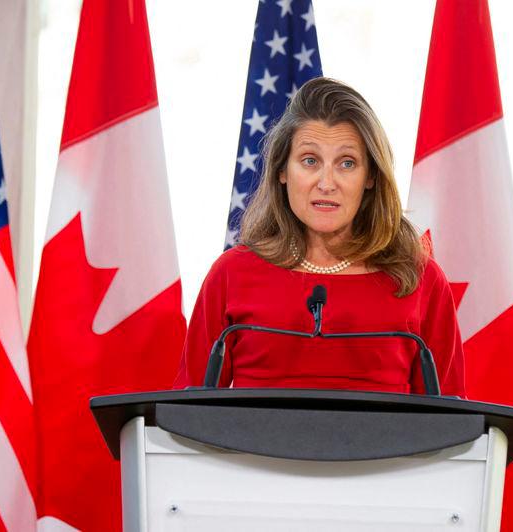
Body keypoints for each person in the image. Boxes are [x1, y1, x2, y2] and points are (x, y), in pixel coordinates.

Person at [173, 77, 465, 396]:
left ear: (370, 177)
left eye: (347, 163)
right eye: (310, 161)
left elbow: (452, 422)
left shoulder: (420, 278)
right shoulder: (231, 274)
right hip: (255, 448)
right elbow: (189, 413)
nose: (327, 183)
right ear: (282, 171)